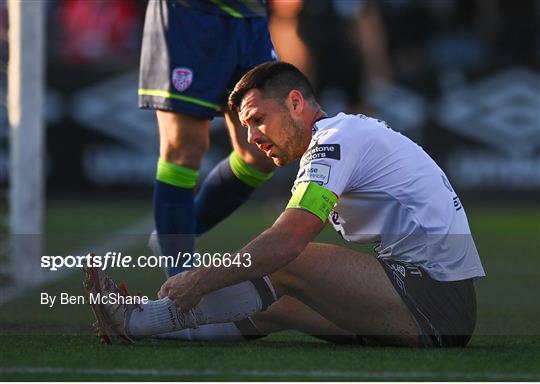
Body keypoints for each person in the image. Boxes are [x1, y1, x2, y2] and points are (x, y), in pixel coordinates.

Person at [87, 61, 485, 347]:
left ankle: (142, 320)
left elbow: (289, 240)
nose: (252, 137)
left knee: (292, 261)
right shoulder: (339, 138)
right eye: (245, 127)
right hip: (427, 301)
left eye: (258, 118)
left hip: (435, 304)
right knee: (279, 304)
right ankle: (150, 325)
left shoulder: (335, 139)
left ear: (296, 103)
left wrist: (199, 278)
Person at [138, 0, 276, 278]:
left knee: (263, 151)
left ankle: (182, 230)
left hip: (250, 17)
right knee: (184, 146)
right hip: (189, 15)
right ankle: (179, 288)